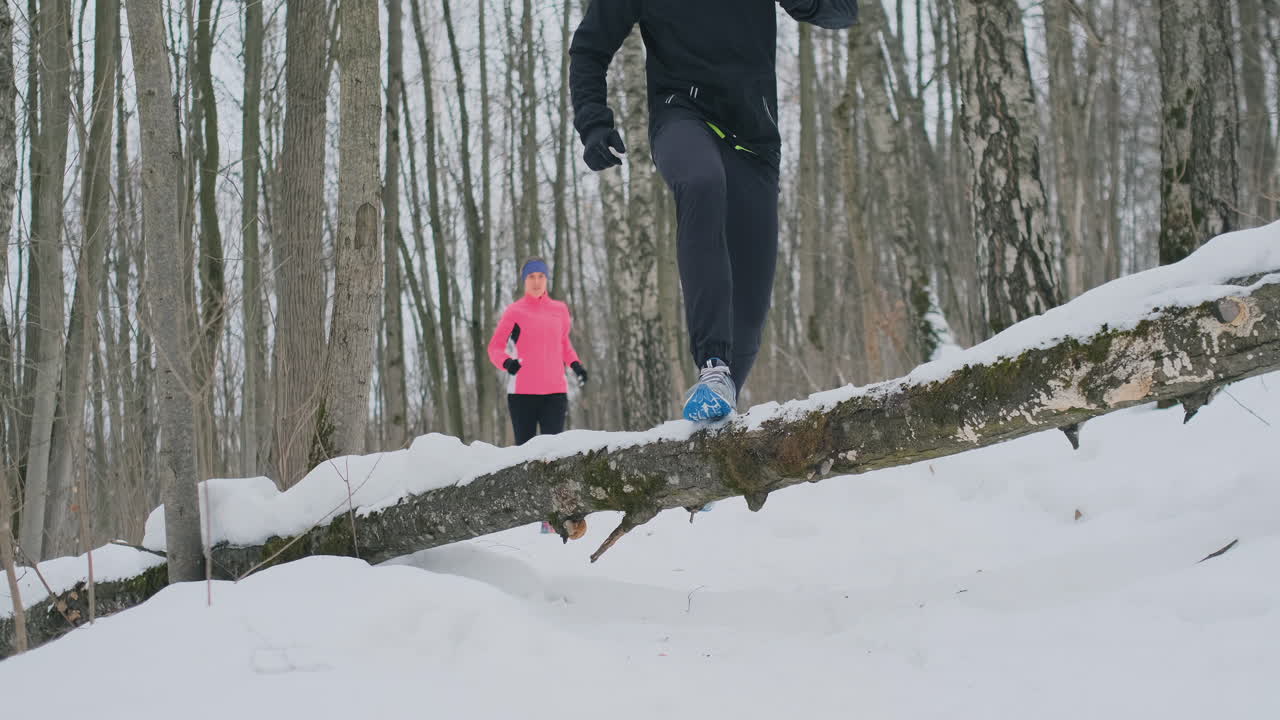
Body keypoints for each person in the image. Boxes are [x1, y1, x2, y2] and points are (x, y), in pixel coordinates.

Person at [569, 0, 858, 422]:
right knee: (702, 181)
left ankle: (717, 415)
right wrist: (593, 123)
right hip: (680, 115)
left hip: (754, 140)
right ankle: (712, 366)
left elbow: (842, 13)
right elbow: (589, 47)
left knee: (750, 312)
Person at [488, 257, 589, 446]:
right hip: (522, 395)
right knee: (525, 457)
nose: (536, 282)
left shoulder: (560, 310)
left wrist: (577, 366)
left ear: (546, 279)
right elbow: (494, 347)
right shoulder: (514, 311)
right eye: (531, 277)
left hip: (555, 394)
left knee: (553, 454)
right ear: (524, 280)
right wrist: (507, 363)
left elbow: (563, 343)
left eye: (541, 276)